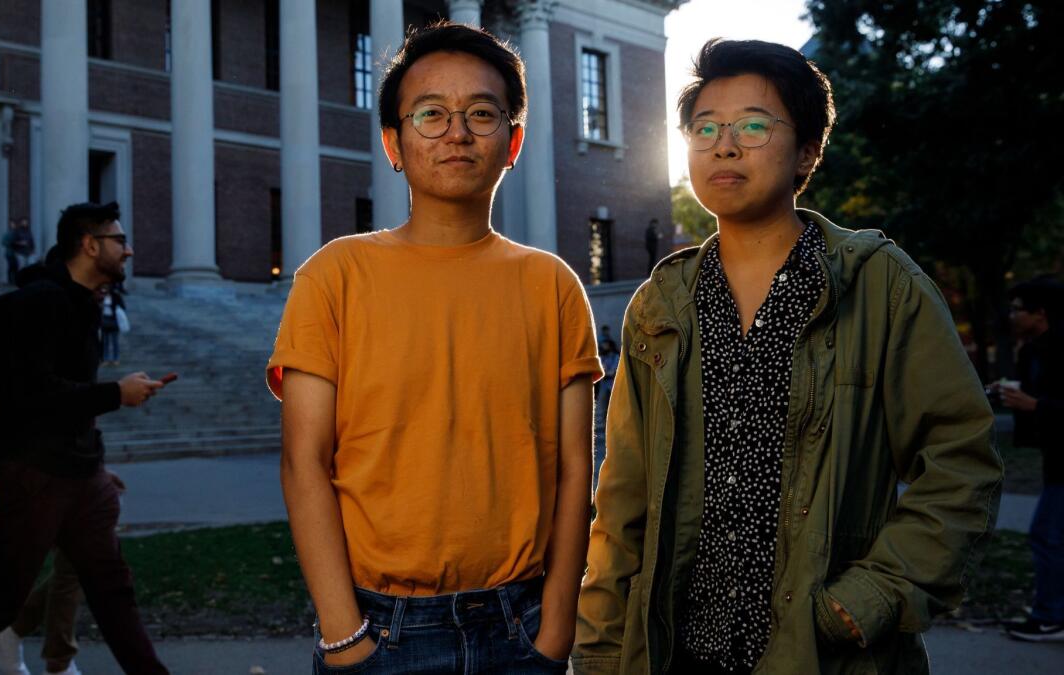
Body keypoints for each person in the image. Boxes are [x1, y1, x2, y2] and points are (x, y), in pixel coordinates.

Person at [573, 39, 1003, 675]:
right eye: (705, 127)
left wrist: (869, 598)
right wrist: (604, 651)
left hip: (825, 652)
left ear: (807, 150)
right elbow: (624, 497)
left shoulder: (879, 283)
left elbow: (961, 460)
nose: (724, 144)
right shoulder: (661, 305)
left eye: (753, 125)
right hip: (678, 653)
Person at [268, 21, 602, 673]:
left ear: (514, 140)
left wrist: (556, 626)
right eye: (431, 114)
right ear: (394, 143)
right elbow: (302, 459)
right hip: (379, 632)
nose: (457, 132)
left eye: (482, 113)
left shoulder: (552, 285)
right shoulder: (334, 275)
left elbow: (573, 468)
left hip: (520, 628)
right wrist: (344, 635)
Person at [0, 201, 171, 675]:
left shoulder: (82, 304)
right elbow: (31, 393)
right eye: (118, 240)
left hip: (77, 475)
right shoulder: (43, 302)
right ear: (89, 246)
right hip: (36, 476)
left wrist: (94, 464)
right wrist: (116, 393)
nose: (127, 251)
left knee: (113, 592)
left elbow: (65, 398)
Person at [999, 278, 1064, 642]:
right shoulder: (1033, 351)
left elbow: (1044, 404)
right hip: (1054, 460)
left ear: (1040, 313)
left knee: (1047, 534)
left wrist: (1036, 406)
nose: (1012, 315)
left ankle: (1051, 616)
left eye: (1017, 308)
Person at [100, 285, 126, 366]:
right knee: (105, 341)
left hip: (113, 319)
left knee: (114, 341)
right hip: (104, 319)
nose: (105, 289)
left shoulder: (116, 296)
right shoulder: (101, 295)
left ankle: (115, 358)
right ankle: (105, 359)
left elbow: (122, 306)